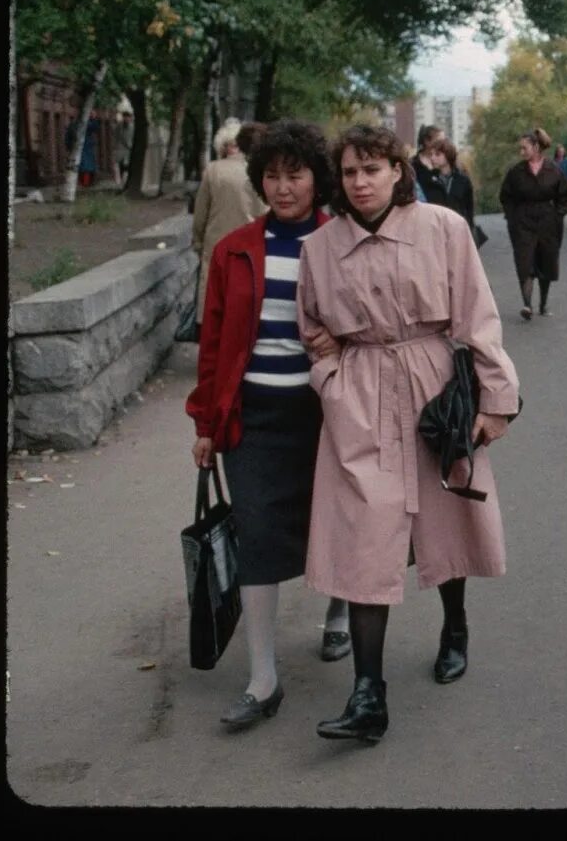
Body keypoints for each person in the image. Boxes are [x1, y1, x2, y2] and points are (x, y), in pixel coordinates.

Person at [296, 125, 519, 744]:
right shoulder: (320, 247)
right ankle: (369, 695)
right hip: (360, 393)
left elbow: (478, 314)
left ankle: (454, 626)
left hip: (432, 387)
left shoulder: (442, 228)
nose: (361, 182)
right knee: (365, 537)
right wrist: (331, 373)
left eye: (373, 168)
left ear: (399, 170)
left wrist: (496, 401)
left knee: (444, 518)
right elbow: (311, 322)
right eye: (349, 172)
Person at [186, 120, 352, 730]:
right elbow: (212, 346)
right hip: (253, 416)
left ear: (316, 179)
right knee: (256, 537)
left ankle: (338, 616)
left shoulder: (343, 242)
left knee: (335, 521)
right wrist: (205, 422)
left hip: (325, 413)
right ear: (259, 180)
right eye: (273, 176)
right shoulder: (234, 250)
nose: (284, 188)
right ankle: (263, 679)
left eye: (296, 174)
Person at [193, 121, 269, 325]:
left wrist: (198, 243)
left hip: (215, 243)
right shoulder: (259, 171)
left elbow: (201, 213)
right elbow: (264, 210)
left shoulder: (212, 171)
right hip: (250, 244)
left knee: (212, 298)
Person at [499, 128, 567, 320]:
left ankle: (543, 304)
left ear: (536, 147)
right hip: (523, 221)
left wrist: (558, 215)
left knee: (545, 261)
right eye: (520, 149)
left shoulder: (553, 170)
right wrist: (512, 217)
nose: (521, 152)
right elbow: (506, 196)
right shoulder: (516, 172)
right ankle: (527, 304)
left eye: (525, 148)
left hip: (548, 221)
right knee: (524, 261)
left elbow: (563, 196)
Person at [432, 137, 477, 237]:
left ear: (448, 156)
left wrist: (469, 229)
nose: (433, 158)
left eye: (437, 154)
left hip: (458, 230)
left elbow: (469, 207)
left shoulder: (462, 180)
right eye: (432, 154)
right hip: (437, 232)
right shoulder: (431, 180)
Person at [411, 125, 445, 202]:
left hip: (445, 210)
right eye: (439, 141)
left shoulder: (446, 161)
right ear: (427, 141)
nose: (443, 144)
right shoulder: (413, 164)